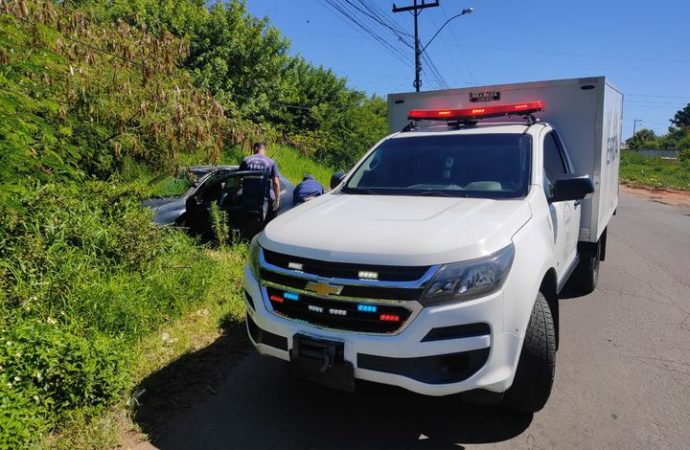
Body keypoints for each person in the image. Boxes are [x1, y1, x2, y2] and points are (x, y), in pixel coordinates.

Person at [239, 142, 281, 215]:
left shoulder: (245, 160)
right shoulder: (271, 162)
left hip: (247, 197)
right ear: (264, 150)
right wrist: (277, 200)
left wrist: (237, 192)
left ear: (255, 149)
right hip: (263, 198)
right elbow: (276, 182)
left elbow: (238, 178)